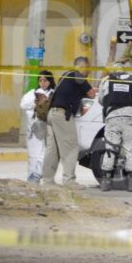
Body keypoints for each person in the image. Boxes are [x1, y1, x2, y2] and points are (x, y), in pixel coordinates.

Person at [42, 57, 96, 187]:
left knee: (52, 149)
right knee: (71, 147)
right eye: (87, 68)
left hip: (51, 114)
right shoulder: (78, 75)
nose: (88, 72)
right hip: (62, 115)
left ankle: (48, 181)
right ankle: (69, 180)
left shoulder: (66, 75)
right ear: (82, 66)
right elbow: (92, 94)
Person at [97, 66, 132, 192]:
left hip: (112, 117)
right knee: (130, 148)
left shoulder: (106, 81)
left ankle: (106, 181)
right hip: (130, 116)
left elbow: (101, 100)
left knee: (110, 148)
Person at [19, 70, 55, 183]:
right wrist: (35, 103)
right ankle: (32, 180)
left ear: (50, 81)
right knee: (33, 155)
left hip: (49, 127)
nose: (43, 83)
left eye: (45, 80)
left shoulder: (54, 93)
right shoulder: (33, 93)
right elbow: (23, 105)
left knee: (46, 153)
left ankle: (39, 176)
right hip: (34, 128)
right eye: (40, 80)